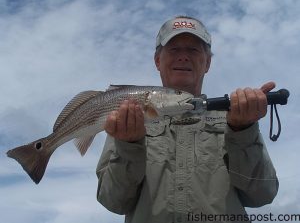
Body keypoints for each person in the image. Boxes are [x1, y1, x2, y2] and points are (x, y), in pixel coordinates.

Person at [96, 16, 279, 223]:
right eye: (174, 49)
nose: (183, 56)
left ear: (207, 63)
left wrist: (244, 131)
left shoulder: (235, 120)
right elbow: (113, 202)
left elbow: (263, 194)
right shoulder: (128, 120)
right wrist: (128, 145)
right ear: (157, 61)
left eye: (193, 50)